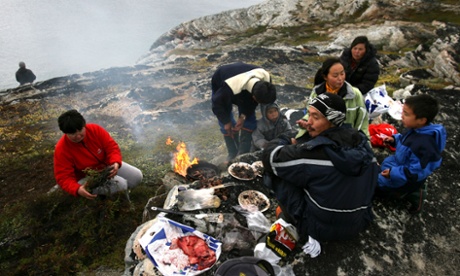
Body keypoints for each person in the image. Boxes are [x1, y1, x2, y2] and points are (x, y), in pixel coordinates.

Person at [262, 93, 378, 257]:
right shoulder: (362, 143)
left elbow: (270, 158)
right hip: (358, 221)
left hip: (321, 227)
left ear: (332, 120)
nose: (309, 121)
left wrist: (287, 138)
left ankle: (287, 215)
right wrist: (312, 129)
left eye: (315, 117)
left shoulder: (315, 155)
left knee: (275, 173)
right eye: (309, 114)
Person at [376, 94, 447, 214]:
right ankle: (408, 186)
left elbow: (414, 170)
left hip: (409, 176)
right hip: (400, 162)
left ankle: (414, 193)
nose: (402, 116)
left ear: (421, 120)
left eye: (406, 114)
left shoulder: (424, 145)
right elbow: (405, 140)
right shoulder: (416, 128)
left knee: (378, 185)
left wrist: (394, 173)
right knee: (385, 164)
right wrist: (394, 139)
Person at [53, 110, 143, 200]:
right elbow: (63, 177)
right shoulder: (62, 149)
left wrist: (115, 162)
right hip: (86, 178)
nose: (78, 136)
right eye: (73, 134)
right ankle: (123, 206)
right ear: (65, 133)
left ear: (84, 125)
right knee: (121, 184)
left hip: (107, 166)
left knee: (136, 177)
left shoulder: (94, 130)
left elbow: (111, 147)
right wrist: (77, 189)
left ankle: (109, 196)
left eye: (80, 130)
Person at [211, 62, 277, 162]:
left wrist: (243, 117)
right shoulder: (229, 87)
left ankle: (243, 153)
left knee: (249, 121)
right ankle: (232, 152)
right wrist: (226, 122)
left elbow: (251, 104)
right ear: (254, 97)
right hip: (223, 79)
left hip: (246, 82)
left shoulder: (266, 81)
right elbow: (217, 103)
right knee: (227, 122)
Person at [296, 58, 369, 140]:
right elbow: (310, 113)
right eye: (335, 75)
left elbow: (362, 122)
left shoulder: (354, 94)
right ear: (325, 77)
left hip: (345, 139)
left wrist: (363, 143)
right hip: (320, 137)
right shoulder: (317, 92)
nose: (340, 78)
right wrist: (305, 122)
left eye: (342, 73)